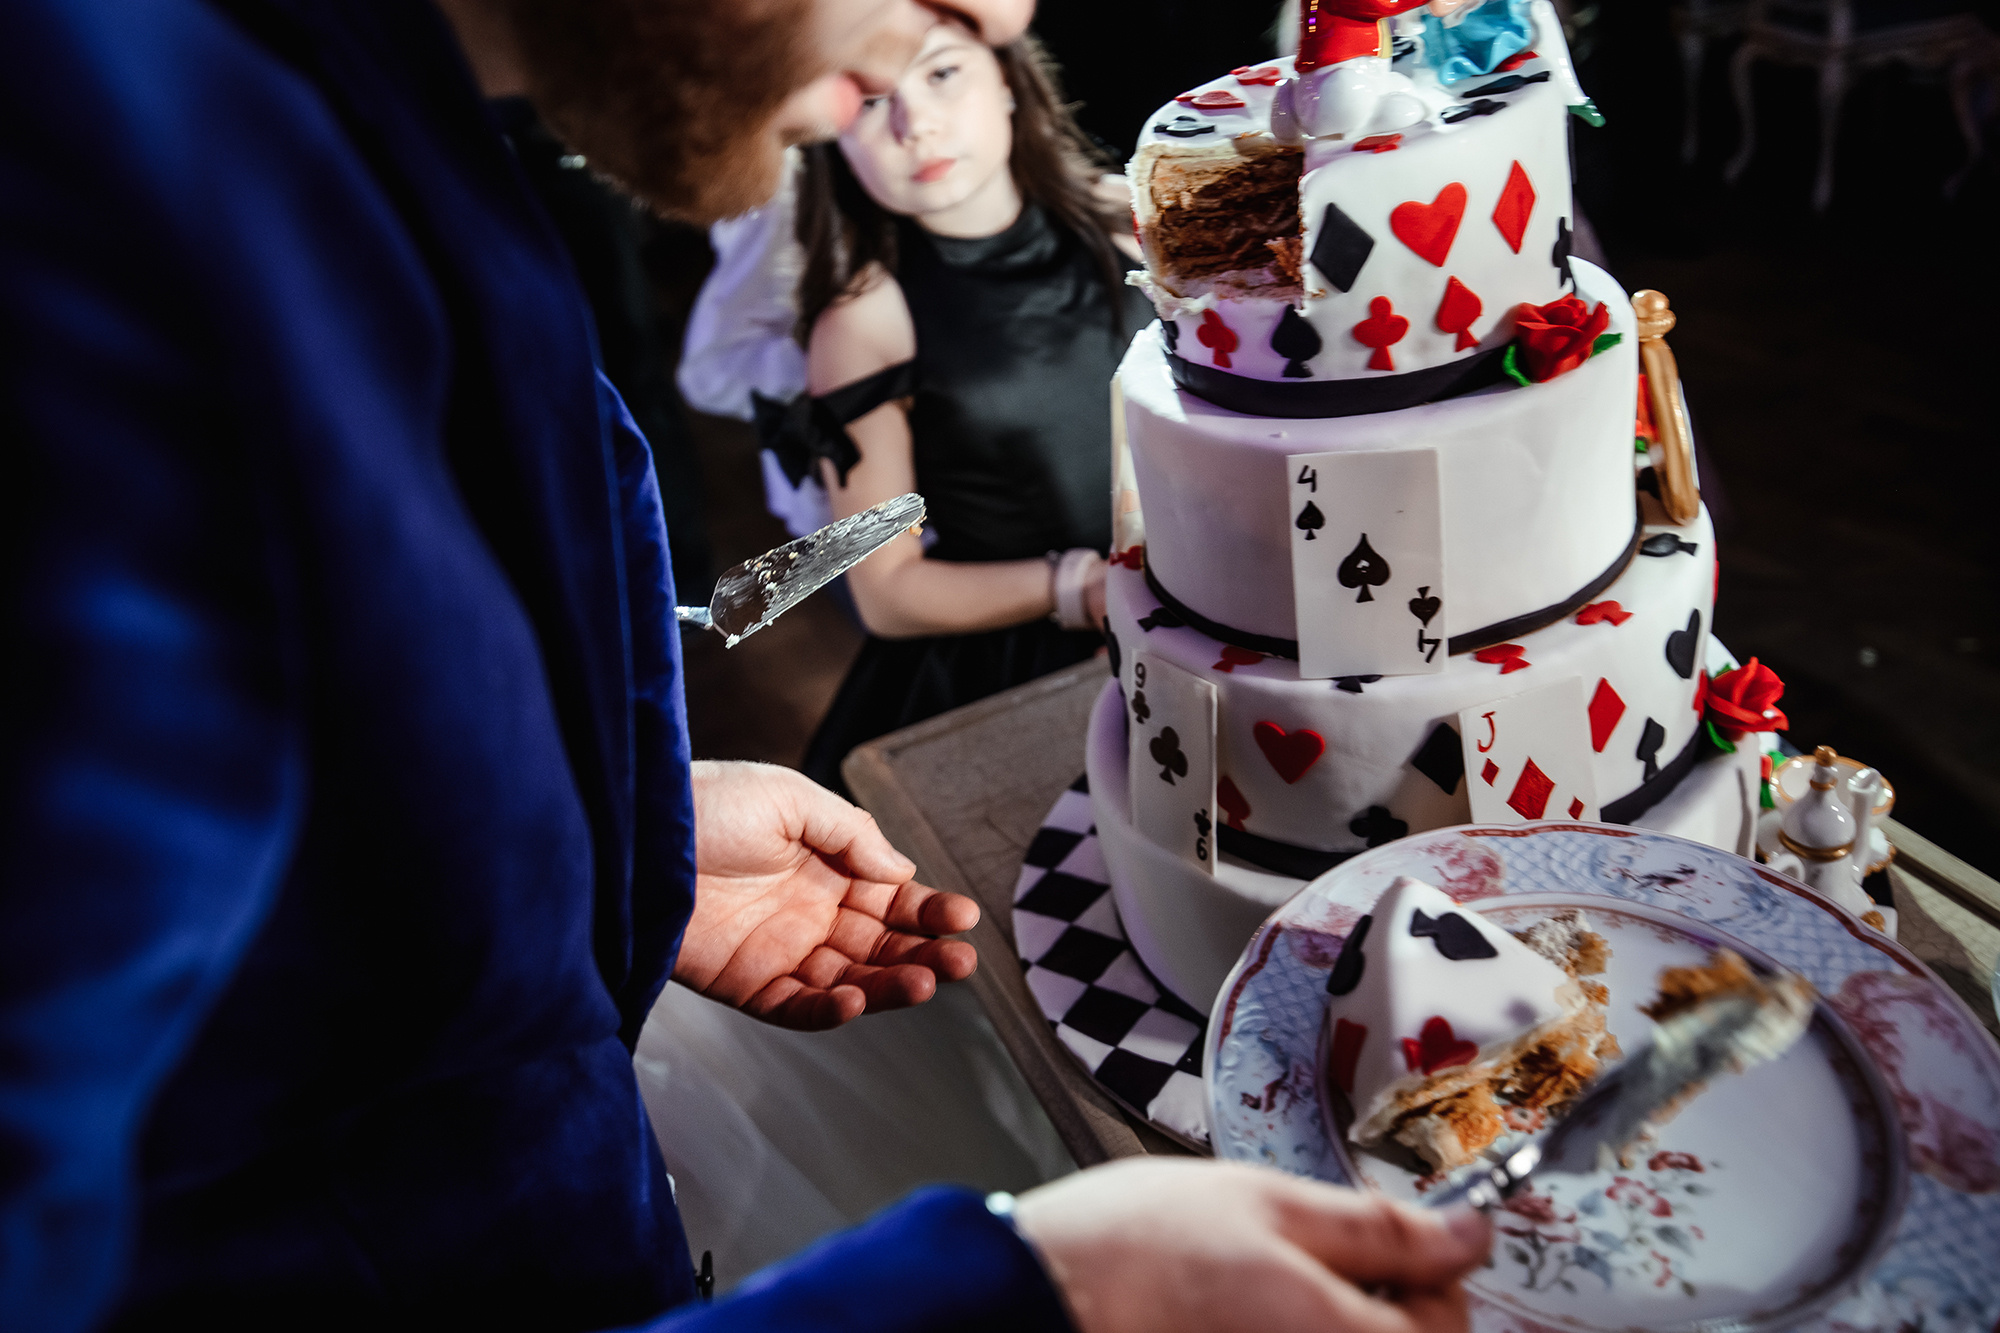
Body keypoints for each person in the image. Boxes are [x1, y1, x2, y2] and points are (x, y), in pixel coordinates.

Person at [0, 0, 1491, 1330]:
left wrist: (597, 833)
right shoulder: (101, 225)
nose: (995, 10)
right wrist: (1018, 1297)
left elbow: (352, 723)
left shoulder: (414, 133)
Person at [768, 22, 1153, 792]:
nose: (917, 125)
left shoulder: (1127, 216)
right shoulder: (866, 321)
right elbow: (886, 590)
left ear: (1006, 75)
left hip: (1200, 602)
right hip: (1022, 654)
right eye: (870, 102)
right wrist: (1078, 586)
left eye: (942, 74)